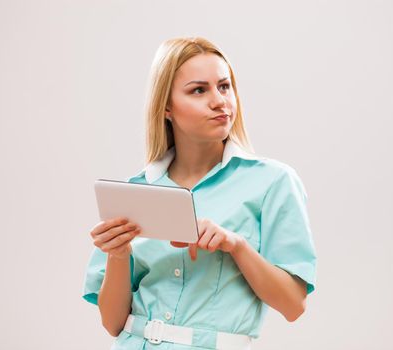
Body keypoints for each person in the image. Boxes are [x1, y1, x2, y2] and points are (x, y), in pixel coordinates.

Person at [83, 36, 317, 350]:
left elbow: (293, 305)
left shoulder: (273, 182)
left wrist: (235, 245)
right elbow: (113, 323)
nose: (220, 101)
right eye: (199, 90)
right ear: (166, 107)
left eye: (224, 86)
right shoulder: (137, 191)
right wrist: (118, 254)